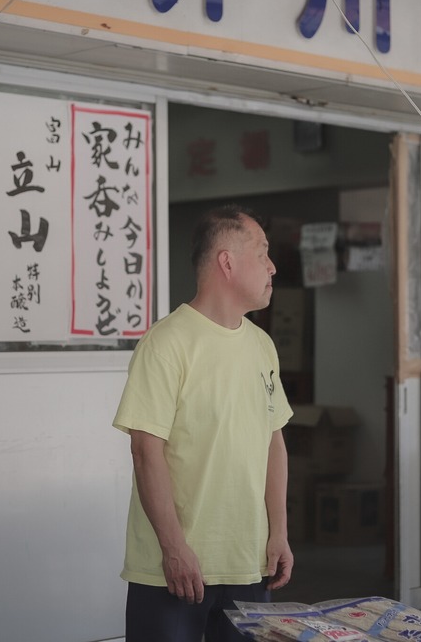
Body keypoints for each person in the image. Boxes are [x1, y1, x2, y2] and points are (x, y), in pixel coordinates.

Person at [113, 204, 294, 642]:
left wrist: (279, 533)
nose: (272, 266)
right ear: (227, 262)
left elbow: (274, 443)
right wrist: (174, 549)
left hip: (249, 563)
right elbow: (145, 450)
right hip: (175, 569)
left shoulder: (261, 345)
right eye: (262, 252)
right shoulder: (167, 343)